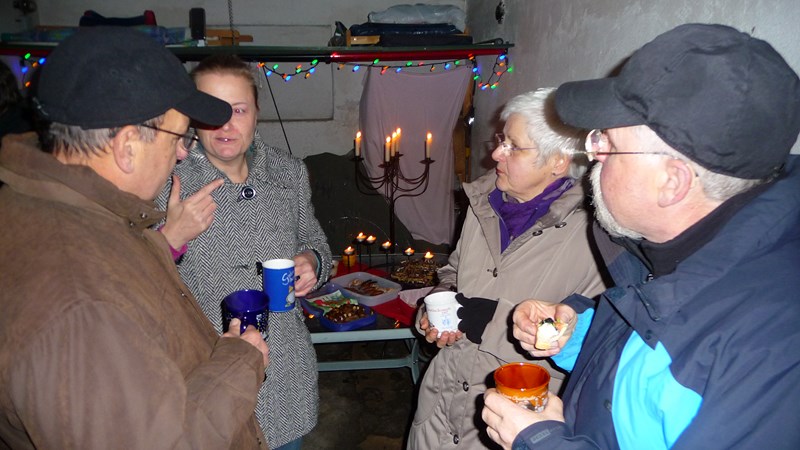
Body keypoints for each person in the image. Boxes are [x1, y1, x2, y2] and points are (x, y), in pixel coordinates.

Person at [482, 23, 800, 449]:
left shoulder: (772, 350)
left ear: (671, 182)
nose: (592, 154)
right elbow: (656, 361)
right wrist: (578, 332)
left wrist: (540, 442)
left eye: (608, 144)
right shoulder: (666, 256)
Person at [0, 27, 269, 449]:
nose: (183, 152)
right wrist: (240, 361)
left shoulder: (60, 209)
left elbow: (116, 269)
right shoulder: (82, 308)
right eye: (179, 136)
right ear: (127, 146)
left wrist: (162, 244)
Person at [408, 88, 608, 449]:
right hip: (439, 406)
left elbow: (595, 341)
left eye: (513, 147)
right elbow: (454, 270)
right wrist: (439, 302)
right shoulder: (482, 204)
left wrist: (492, 320)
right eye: (501, 140)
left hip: (513, 419)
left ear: (558, 161)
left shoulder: (595, 234)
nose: (496, 154)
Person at [156, 54, 332, 450]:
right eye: (212, 111)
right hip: (205, 374)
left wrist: (313, 262)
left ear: (256, 113)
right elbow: (134, 276)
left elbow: (317, 242)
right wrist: (171, 236)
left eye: (238, 110)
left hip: (285, 375)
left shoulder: (288, 172)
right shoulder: (168, 180)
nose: (225, 125)